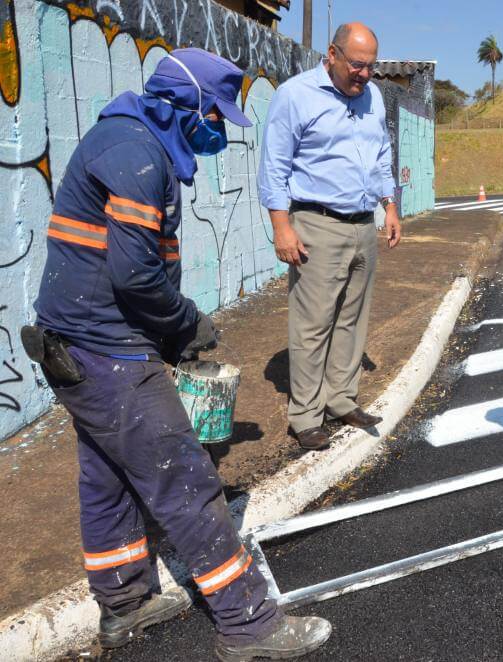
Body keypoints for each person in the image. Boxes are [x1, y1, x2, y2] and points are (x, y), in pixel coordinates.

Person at [23, 48, 331, 660]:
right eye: (213, 115)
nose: (217, 129)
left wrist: (168, 334)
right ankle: (249, 625)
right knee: (184, 480)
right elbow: (135, 276)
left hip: (78, 347)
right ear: (184, 104)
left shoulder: (130, 139)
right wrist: (188, 325)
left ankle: (126, 602)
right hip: (106, 350)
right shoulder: (138, 154)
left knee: (108, 476)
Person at [258, 22, 402, 451]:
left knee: (352, 318)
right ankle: (305, 415)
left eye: (371, 67)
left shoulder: (372, 96)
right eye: (357, 65)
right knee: (313, 324)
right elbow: (274, 166)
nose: (364, 74)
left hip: (362, 223)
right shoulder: (296, 95)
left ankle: (342, 399)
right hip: (315, 223)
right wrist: (281, 226)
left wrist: (389, 205)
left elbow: (380, 155)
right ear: (332, 54)